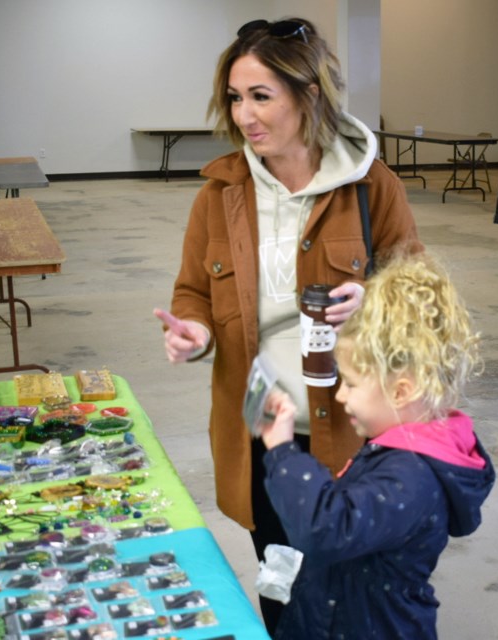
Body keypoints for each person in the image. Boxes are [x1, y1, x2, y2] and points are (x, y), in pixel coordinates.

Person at [153, 17, 422, 633]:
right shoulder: (219, 195)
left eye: (261, 96)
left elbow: (420, 295)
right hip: (262, 431)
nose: (243, 113)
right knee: (281, 581)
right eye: (234, 97)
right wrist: (192, 333)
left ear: (307, 95)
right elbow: (193, 291)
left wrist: (375, 299)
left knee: (353, 585)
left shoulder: (370, 187)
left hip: (355, 431)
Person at [259, 252, 496, 639]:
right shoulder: (402, 449)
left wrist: (283, 451)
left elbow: (326, 529)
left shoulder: (412, 476)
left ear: (400, 391)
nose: (340, 396)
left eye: (350, 383)